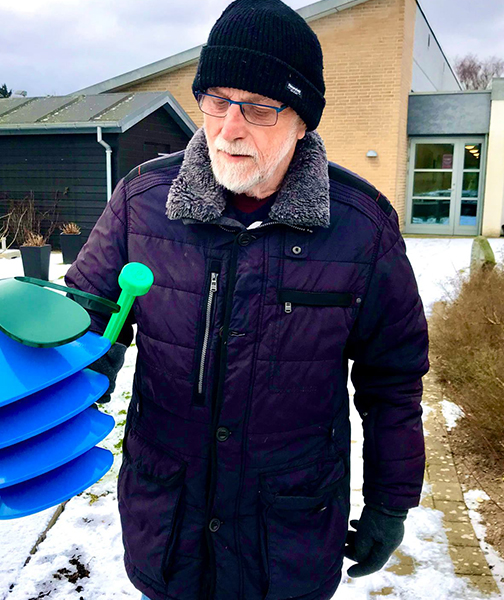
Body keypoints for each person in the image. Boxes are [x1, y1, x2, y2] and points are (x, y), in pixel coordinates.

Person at [65, 1, 429, 598]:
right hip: (169, 521)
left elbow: (393, 379)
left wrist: (391, 502)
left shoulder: (361, 228)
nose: (230, 128)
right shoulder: (142, 201)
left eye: (259, 108)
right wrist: (74, 374)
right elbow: (86, 323)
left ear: (303, 120)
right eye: (216, 100)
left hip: (287, 532)